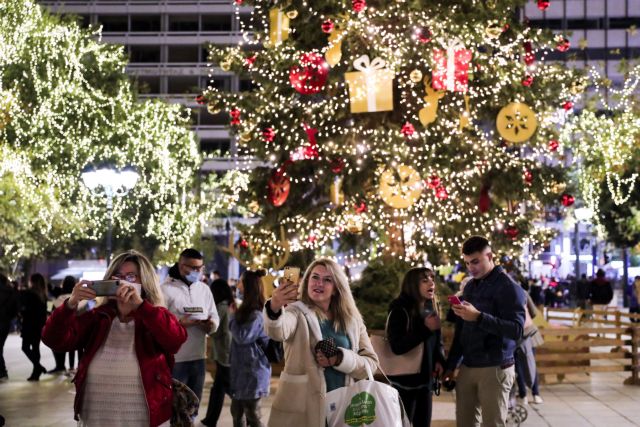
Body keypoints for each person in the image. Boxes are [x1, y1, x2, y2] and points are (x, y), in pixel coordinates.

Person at [42, 250, 187, 426]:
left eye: (131, 276)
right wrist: (70, 304)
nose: (122, 281)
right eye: (117, 275)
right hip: (96, 417)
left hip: (144, 418)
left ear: (145, 281)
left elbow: (175, 341)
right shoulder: (98, 318)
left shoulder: (155, 316)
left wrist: (141, 306)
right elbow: (54, 340)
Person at [263, 258, 379, 427]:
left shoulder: (352, 321)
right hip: (302, 409)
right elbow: (278, 331)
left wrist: (339, 358)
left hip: (344, 408)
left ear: (336, 289)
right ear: (307, 280)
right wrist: (274, 306)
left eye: (327, 280)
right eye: (315, 277)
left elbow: (371, 363)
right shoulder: (295, 312)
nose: (319, 283)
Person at [444, 236, 525, 427]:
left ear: (489, 256)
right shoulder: (471, 286)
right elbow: (461, 330)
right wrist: (450, 366)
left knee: (493, 424)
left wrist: (479, 317)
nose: (471, 268)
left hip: (495, 366)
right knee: (465, 423)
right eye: (467, 263)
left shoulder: (509, 287)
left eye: (475, 261)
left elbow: (517, 330)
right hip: (468, 365)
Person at [386, 267, 445, 427]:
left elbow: (436, 341)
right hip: (404, 382)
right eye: (424, 280)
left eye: (432, 279)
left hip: (425, 382)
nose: (431, 282)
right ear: (412, 285)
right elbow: (397, 347)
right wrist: (425, 329)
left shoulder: (429, 307)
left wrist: (439, 359)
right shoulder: (400, 308)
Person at [162, 248, 219, 410]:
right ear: (181, 265)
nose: (197, 272)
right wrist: (179, 322)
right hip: (176, 359)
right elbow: (159, 322)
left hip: (199, 357)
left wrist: (210, 325)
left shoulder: (204, 289)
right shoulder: (165, 289)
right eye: (193, 268)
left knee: (194, 406)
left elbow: (214, 316)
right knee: (175, 408)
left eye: (200, 268)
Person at [228, 270, 271, 427]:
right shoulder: (246, 311)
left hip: (253, 372)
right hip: (241, 372)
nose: (237, 285)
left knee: (253, 415)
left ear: (248, 286)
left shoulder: (256, 314)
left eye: (240, 282)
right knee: (237, 412)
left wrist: (232, 317)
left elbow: (242, 336)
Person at [201, 278, 234, 427]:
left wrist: (205, 324)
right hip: (226, 352)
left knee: (227, 387)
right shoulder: (230, 305)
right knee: (219, 387)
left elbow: (216, 331)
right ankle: (210, 419)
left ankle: (248, 413)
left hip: (224, 353)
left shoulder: (221, 307)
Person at [515, 292, 544, 405]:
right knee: (531, 363)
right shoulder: (522, 292)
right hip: (529, 332)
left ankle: (523, 395)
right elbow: (533, 312)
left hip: (516, 336)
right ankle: (536, 394)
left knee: (518, 366)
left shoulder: (499, 292)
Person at [20, 273, 49, 381]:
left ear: (32, 281)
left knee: (25, 347)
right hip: (39, 326)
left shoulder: (29, 293)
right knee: (35, 348)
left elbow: (26, 310)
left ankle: (38, 367)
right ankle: (36, 371)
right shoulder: (43, 295)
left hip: (29, 325)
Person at [0, 273, 19, 381]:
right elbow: (15, 308)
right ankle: (2, 372)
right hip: (5, 322)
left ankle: (2, 372)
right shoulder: (11, 291)